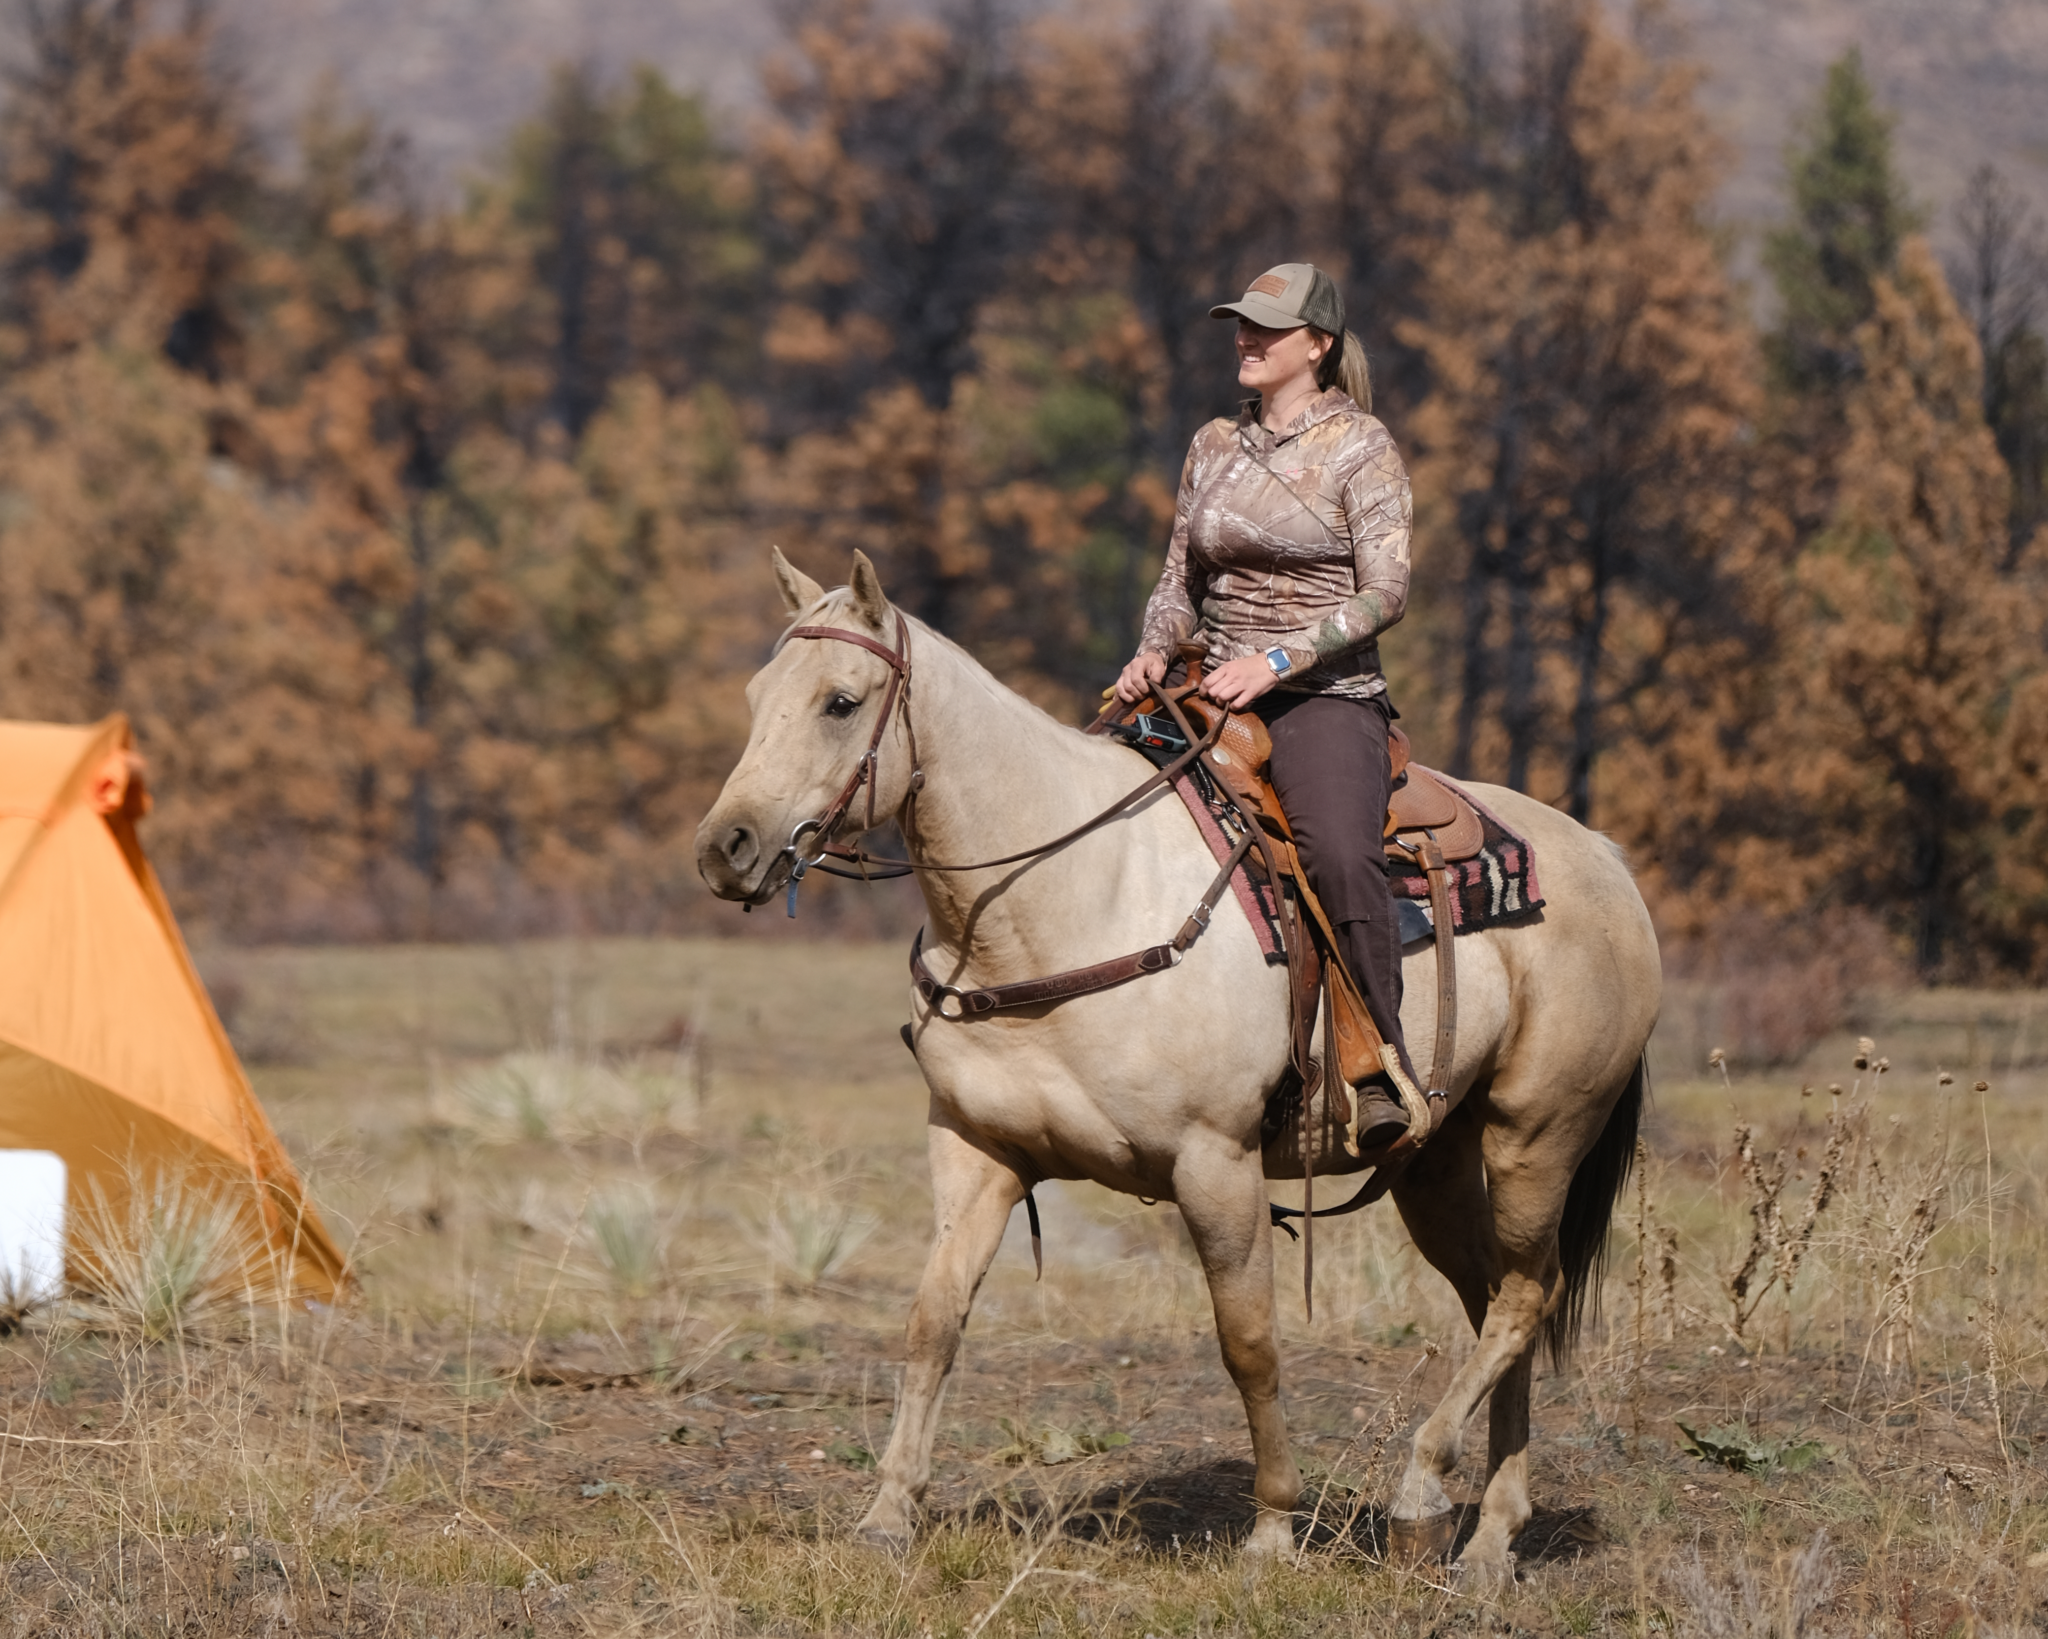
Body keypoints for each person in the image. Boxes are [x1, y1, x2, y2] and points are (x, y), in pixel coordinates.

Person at [1114, 262, 1416, 1149]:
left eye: (1266, 330)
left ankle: (1378, 1066)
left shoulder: (1361, 448)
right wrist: (1153, 647)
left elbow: (1386, 592)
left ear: (1316, 346)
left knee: (1339, 853)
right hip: (1204, 683)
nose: (1244, 340)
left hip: (1324, 695)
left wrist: (1277, 661)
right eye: (1240, 325)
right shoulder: (1213, 443)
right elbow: (1180, 580)